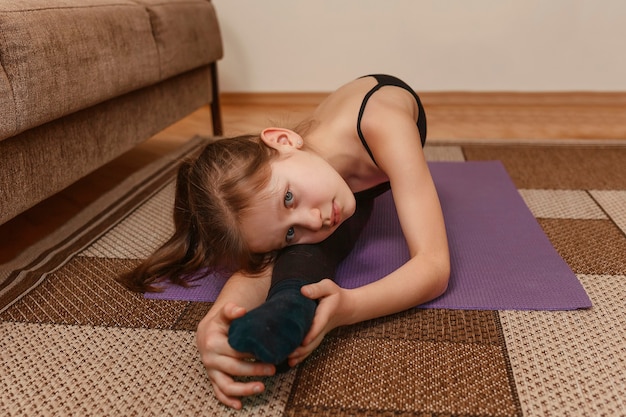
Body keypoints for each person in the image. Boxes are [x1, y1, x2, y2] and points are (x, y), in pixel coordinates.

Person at [118, 74, 450, 409]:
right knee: (301, 254)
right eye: (288, 233)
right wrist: (215, 322)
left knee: (314, 239)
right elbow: (261, 267)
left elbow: (433, 266)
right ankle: (285, 308)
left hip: (368, 128)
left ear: (284, 141)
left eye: (288, 198)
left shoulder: (383, 124)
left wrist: (349, 308)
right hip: (329, 179)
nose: (313, 220)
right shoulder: (308, 185)